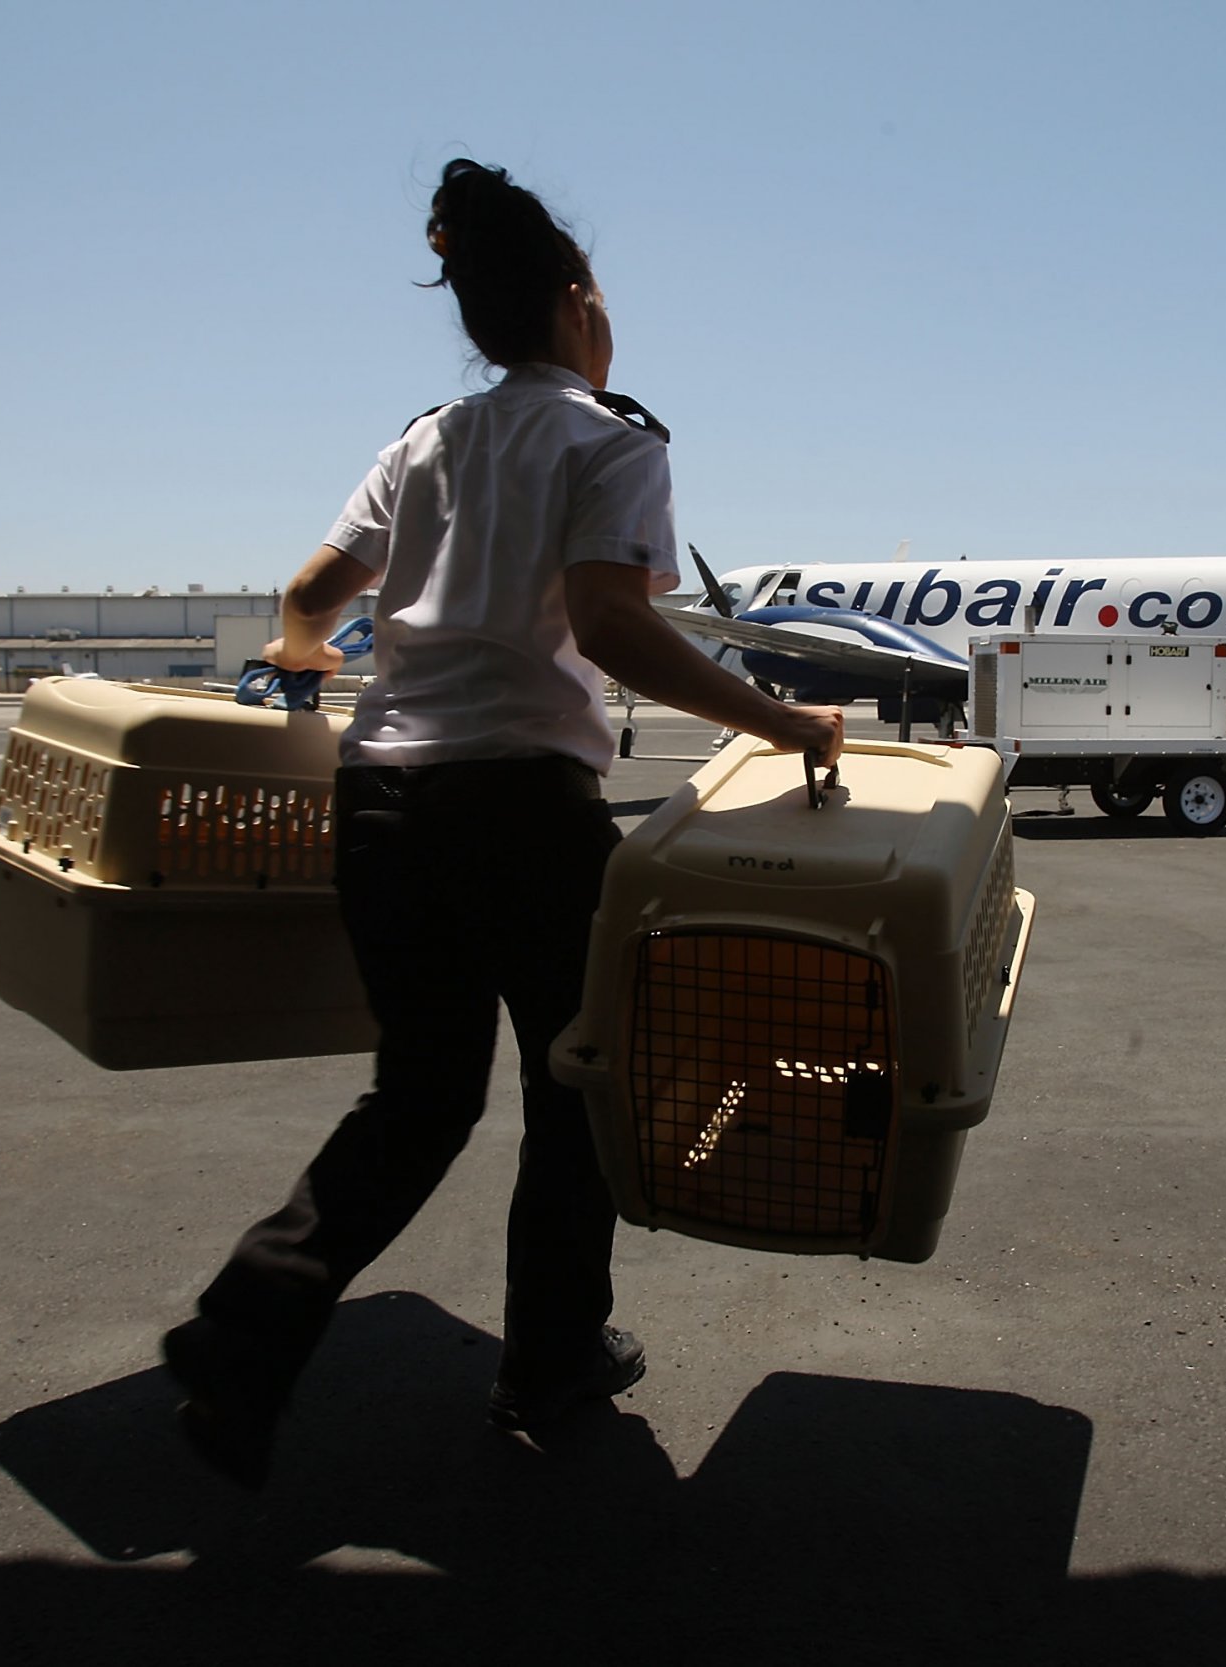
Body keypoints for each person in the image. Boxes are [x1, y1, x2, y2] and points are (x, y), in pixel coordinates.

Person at [161, 159, 845, 1488]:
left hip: (384, 798)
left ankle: (243, 1332)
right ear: (579, 304)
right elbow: (610, 624)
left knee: (418, 1096)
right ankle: (550, 1356)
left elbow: (312, 587)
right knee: (575, 1085)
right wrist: (785, 722)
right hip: (523, 808)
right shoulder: (611, 439)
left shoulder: (425, 437)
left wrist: (304, 651)